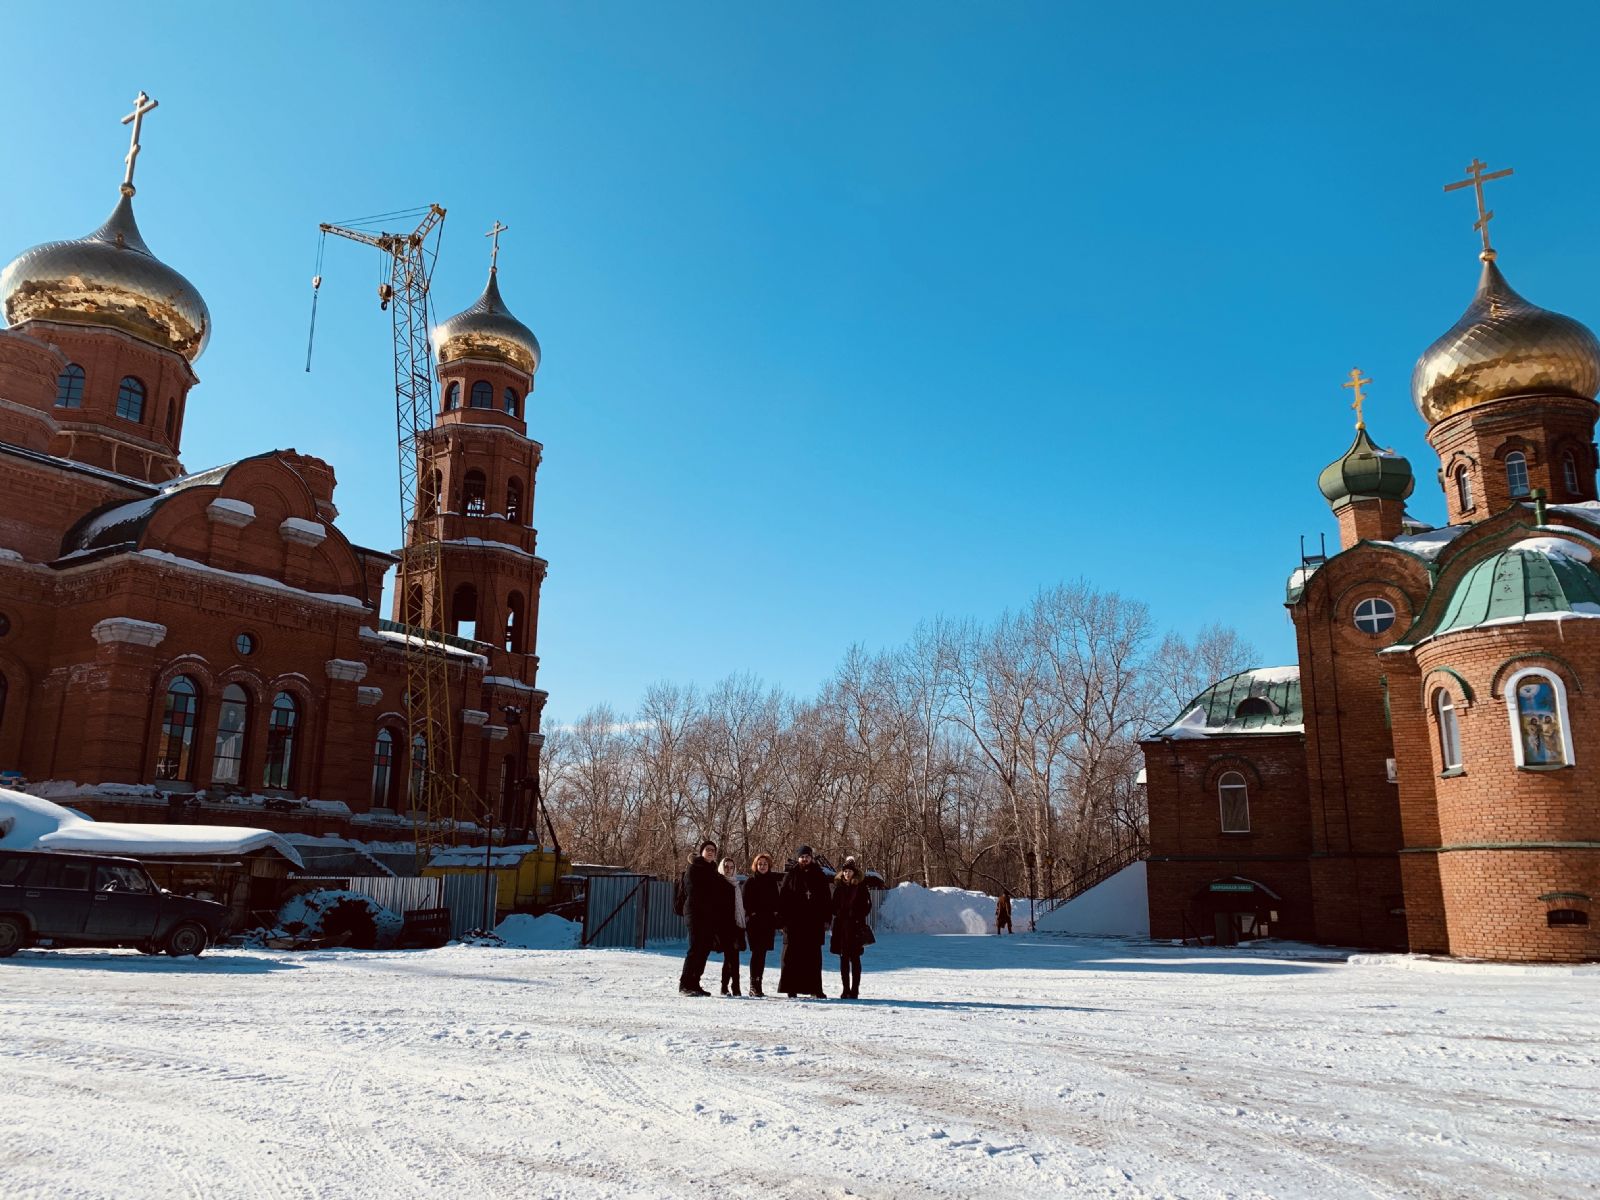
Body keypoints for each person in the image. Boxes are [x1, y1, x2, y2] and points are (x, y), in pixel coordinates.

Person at [777, 844, 831, 999]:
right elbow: (783, 899)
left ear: (811, 858)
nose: (804, 859)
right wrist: (782, 921)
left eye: (807, 856)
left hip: (813, 923)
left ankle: (815, 989)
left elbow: (827, 899)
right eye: (802, 857)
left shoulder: (819, 875)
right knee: (791, 957)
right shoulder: (791, 875)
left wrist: (827, 919)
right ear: (798, 858)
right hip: (794, 923)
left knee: (813, 958)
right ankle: (791, 988)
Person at [677, 839, 722, 996]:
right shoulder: (694, 868)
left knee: (704, 950)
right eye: (708, 849)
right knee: (695, 948)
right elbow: (694, 891)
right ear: (702, 851)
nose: (710, 852)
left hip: (709, 916)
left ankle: (695, 983)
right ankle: (685, 984)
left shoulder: (713, 870)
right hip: (695, 914)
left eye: (713, 850)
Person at [829, 857, 873, 1000]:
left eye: (849, 871)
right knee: (843, 959)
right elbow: (833, 906)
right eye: (845, 871)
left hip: (855, 927)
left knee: (855, 959)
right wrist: (838, 912)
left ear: (854, 873)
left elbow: (867, 905)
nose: (847, 874)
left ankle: (855, 990)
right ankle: (845, 989)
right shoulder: (839, 888)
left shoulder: (860, 887)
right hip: (841, 928)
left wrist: (856, 914)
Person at [742, 852, 782, 997]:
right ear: (755, 865)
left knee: (762, 954)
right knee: (757, 953)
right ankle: (754, 985)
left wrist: (775, 916)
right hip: (755, 923)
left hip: (768, 923)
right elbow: (745, 901)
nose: (763, 866)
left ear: (769, 865)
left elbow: (776, 901)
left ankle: (759, 984)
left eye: (765, 864)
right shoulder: (750, 881)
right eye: (760, 864)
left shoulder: (772, 881)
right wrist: (752, 914)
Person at [717, 857, 746, 995]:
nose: (729, 870)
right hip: (724, 926)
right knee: (730, 957)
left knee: (735, 957)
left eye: (731, 867)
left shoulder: (736, 885)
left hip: (737, 925)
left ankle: (735, 986)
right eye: (726, 867)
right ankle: (726, 987)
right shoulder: (719, 883)